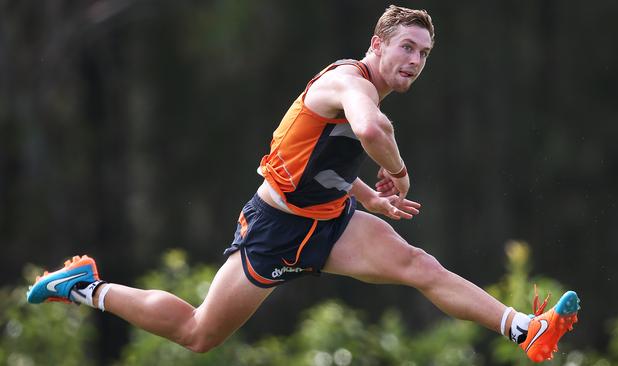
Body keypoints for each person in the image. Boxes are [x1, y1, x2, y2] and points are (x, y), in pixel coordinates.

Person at [26, 5, 579, 363]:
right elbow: (368, 129)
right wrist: (400, 175)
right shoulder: (350, 82)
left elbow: (323, 158)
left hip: (331, 222)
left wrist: (366, 197)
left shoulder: (366, 90)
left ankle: (526, 328)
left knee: (421, 267)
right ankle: (85, 286)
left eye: (424, 53)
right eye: (406, 47)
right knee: (199, 334)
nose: (415, 60)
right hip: (275, 230)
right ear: (377, 45)